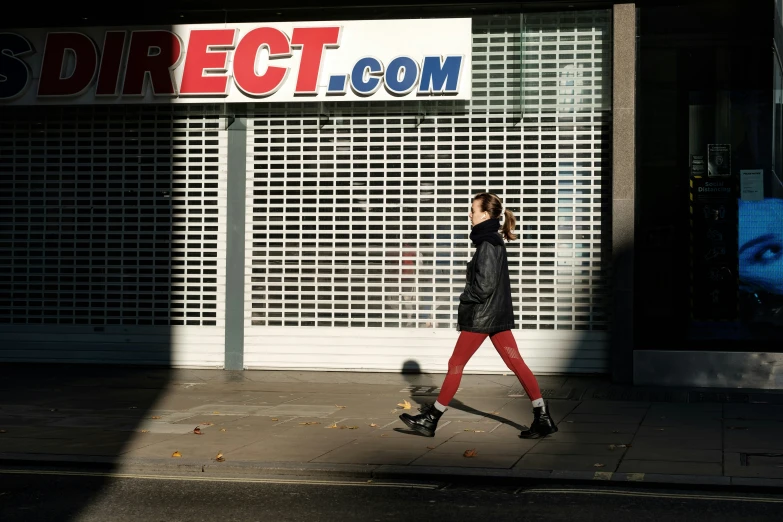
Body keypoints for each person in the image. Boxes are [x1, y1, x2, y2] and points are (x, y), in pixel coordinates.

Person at [400, 193, 557, 439]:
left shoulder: (488, 243)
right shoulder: (491, 241)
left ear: (485, 214)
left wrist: (465, 298)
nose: (469, 214)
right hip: (495, 316)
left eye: (472, 210)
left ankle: (431, 419)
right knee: (516, 363)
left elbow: (484, 286)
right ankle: (543, 417)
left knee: (456, 364)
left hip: (482, 318)